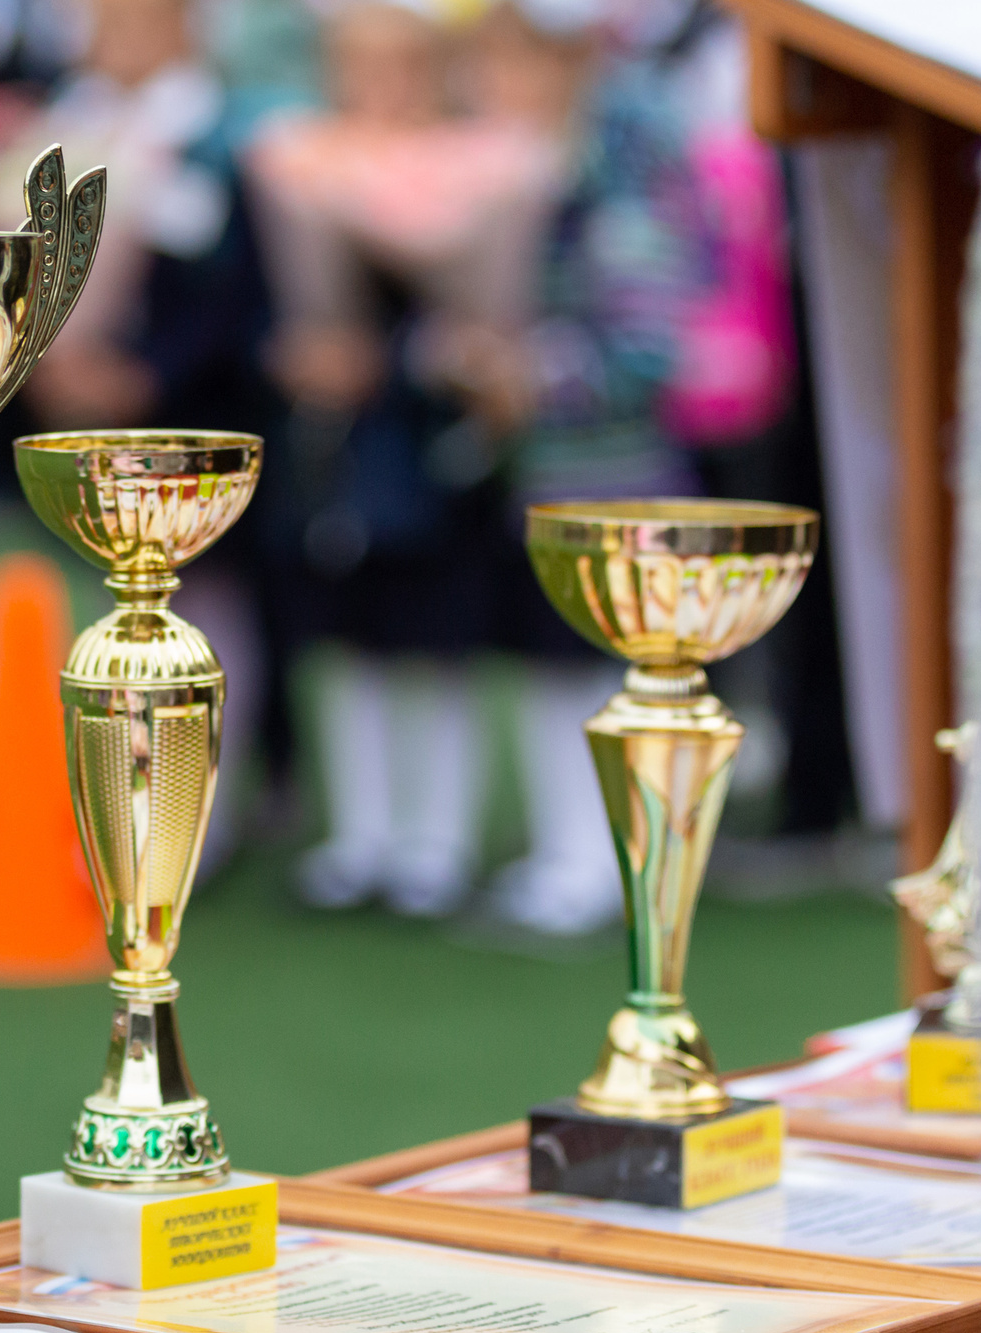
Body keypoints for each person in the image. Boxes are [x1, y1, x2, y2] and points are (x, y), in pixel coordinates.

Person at [241, 0, 554, 917]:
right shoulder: (296, 155)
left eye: (404, 65)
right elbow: (252, 299)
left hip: (438, 445)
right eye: (363, 65)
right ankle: (361, 834)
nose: (384, 85)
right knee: (345, 645)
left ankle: (437, 841)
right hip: (335, 446)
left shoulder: (490, 164)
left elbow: (493, 301)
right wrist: (294, 353)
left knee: (437, 646)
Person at [0, 0, 275, 864]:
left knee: (202, 605)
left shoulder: (221, 135)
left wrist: (146, 376)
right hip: (71, 403)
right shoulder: (63, 121)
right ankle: (107, 802)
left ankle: (192, 813)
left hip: (189, 401)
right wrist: (48, 366)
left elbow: (235, 285)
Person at [464, 0, 707, 935]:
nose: (498, 85)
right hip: (534, 479)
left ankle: (615, 861)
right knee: (546, 666)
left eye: (520, 64)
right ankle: (568, 852)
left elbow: (647, 345)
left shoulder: (619, 178)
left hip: (616, 478)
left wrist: (530, 376)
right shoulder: (507, 173)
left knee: (613, 675)